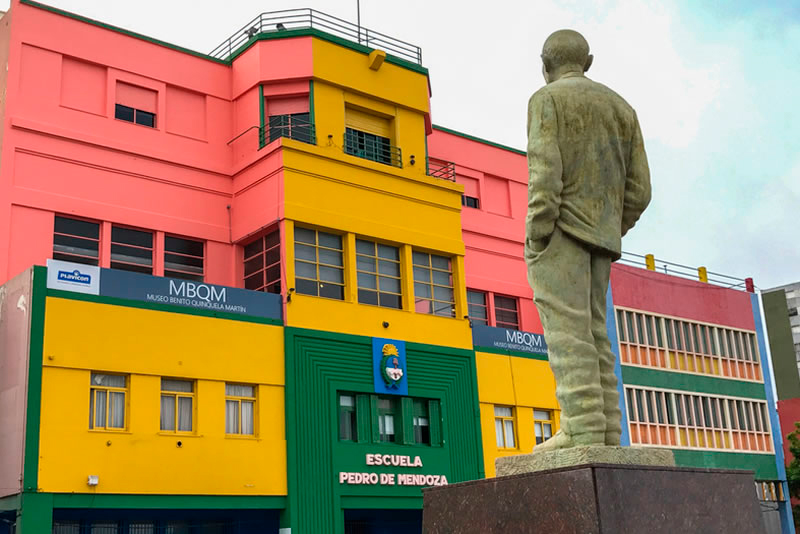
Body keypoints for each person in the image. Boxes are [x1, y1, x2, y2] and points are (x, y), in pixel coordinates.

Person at [526, 29, 651, 451]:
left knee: (568, 332)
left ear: (545, 65)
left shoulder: (547, 99)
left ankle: (581, 428)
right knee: (597, 333)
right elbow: (640, 191)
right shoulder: (622, 108)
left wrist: (538, 233)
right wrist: (612, 226)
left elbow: (544, 174)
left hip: (562, 231)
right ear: (589, 61)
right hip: (601, 235)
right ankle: (607, 431)